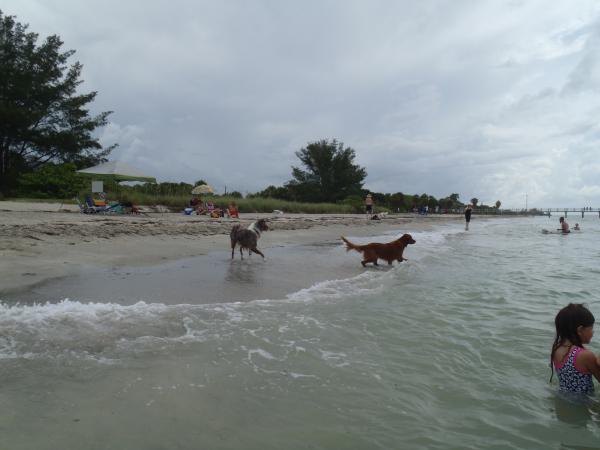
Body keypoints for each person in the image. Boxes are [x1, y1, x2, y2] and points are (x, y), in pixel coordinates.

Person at [550, 303, 600, 395]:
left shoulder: (556, 348)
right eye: (591, 328)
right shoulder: (585, 355)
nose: (593, 332)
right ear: (580, 330)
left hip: (563, 396)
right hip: (584, 402)